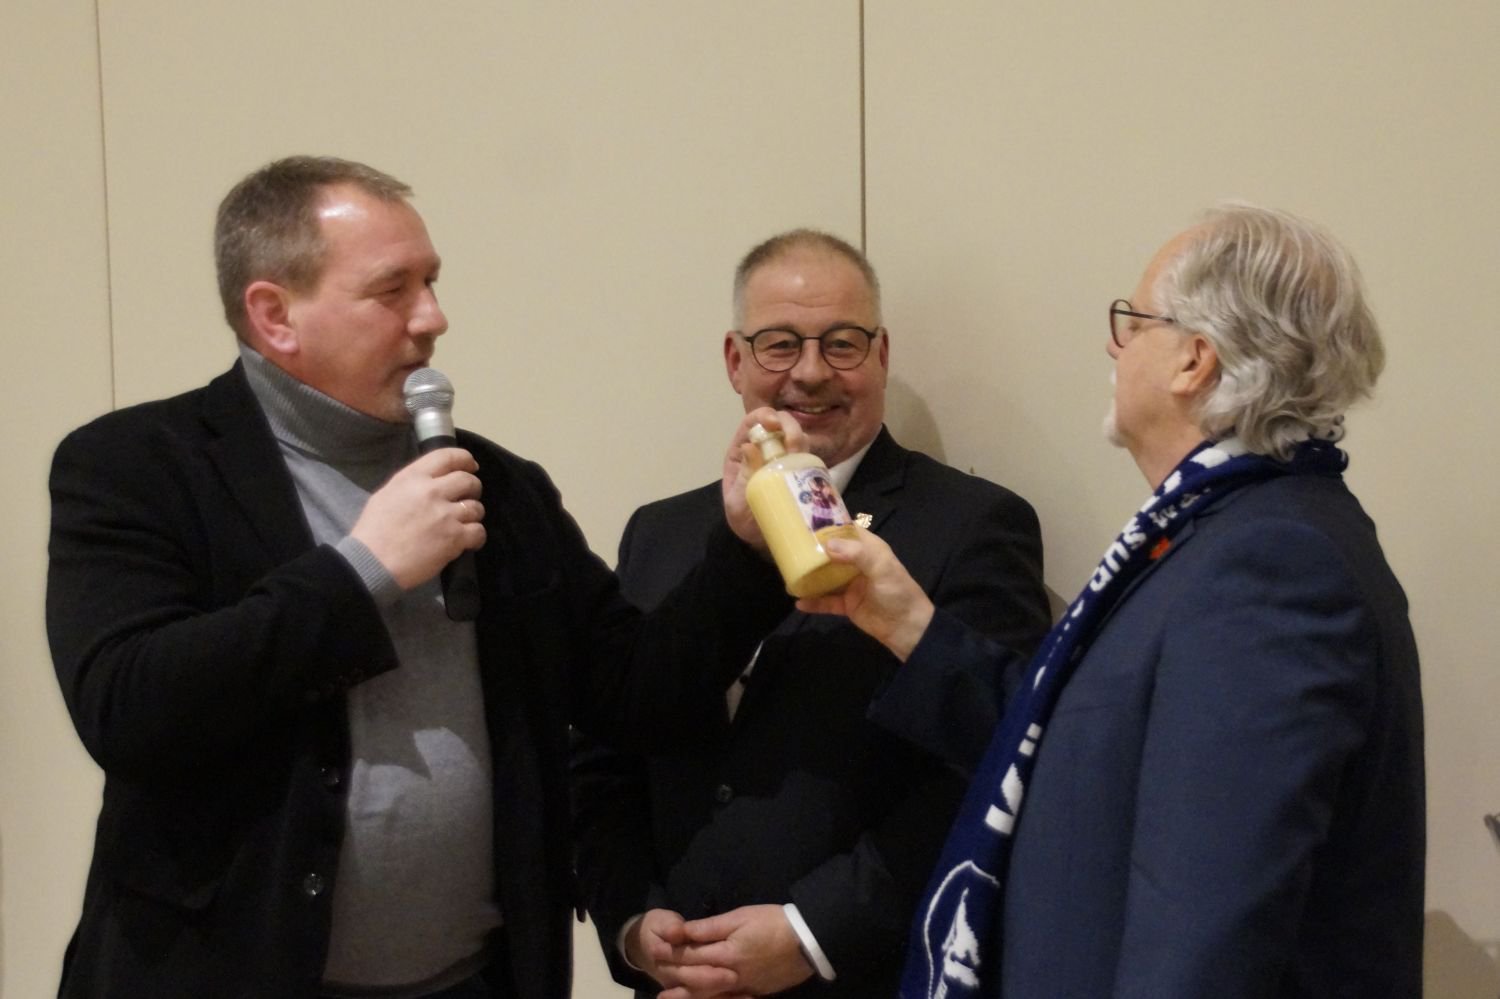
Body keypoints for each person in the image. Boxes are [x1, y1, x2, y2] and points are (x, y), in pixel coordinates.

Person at [44, 155, 795, 999]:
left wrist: (745, 548)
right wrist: (363, 568)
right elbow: (128, 705)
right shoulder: (138, 466)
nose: (433, 317)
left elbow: (639, 690)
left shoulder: (497, 487)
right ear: (275, 315)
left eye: (430, 281)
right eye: (391, 290)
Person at [802, 204, 1426, 997]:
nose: (1112, 344)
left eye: (1132, 321)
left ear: (1194, 360)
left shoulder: (1271, 563)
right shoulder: (1217, 532)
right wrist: (908, 623)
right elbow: (1071, 750)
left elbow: (1208, 928)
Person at [570, 229, 1053, 997]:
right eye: (779, 343)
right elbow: (603, 755)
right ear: (734, 360)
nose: (811, 371)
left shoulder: (974, 525)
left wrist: (814, 931)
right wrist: (632, 921)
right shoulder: (658, 532)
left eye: (842, 343)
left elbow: (988, 768)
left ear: (881, 354)